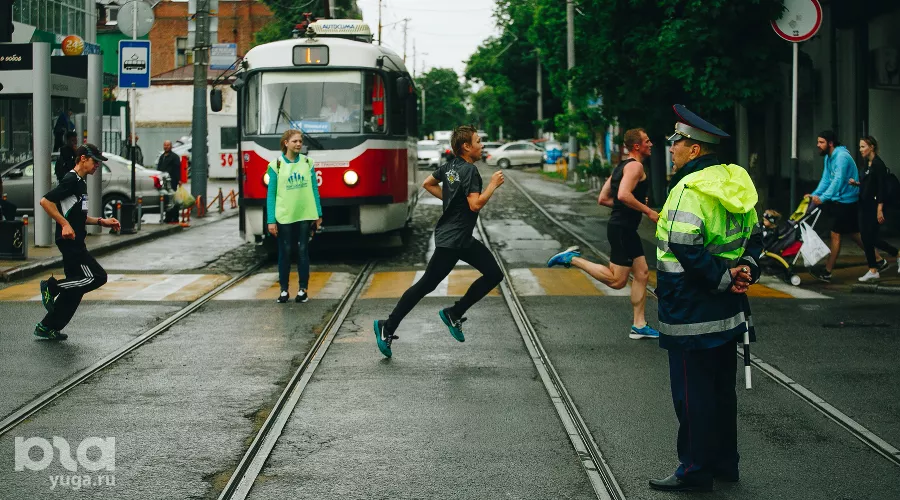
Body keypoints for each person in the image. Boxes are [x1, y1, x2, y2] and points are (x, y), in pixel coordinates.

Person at [649, 105, 763, 492]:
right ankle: (724, 464)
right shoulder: (736, 181)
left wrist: (720, 278)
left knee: (692, 394)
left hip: (690, 310)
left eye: (676, 142)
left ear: (694, 149)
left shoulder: (688, 188)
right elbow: (755, 234)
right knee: (719, 391)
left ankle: (694, 471)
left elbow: (682, 243)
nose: (672, 149)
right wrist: (744, 269)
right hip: (729, 312)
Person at [373, 125, 505, 358]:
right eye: (478, 141)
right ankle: (389, 325)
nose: (481, 145)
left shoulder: (450, 166)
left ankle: (454, 313)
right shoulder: (471, 171)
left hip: (457, 238)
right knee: (426, 285)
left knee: (493, 274)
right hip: (454, 240)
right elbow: (475, 205)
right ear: (466, 146)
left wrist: (452, 199)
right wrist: (493, 184)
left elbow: (427, 184)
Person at [547, 128, 660, 340]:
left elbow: (604, 198)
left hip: (624, 228)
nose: (651, 143)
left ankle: (639, 324)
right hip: (622, 229)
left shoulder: (620, 167)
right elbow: (624, 195)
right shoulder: (635, 167)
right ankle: (573, 259)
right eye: (647, 141)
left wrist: (632, 207)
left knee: (642, 273)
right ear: (637, 146)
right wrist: (648, 211)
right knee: (617, 281)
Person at [35, 144, 121, 341]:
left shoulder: (80, 183)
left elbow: (78, 216)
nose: (97, 165)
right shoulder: (71, 179)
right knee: (97, 277)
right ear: (83, 158)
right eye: (95, 161)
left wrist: (101, 221)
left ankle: (47, 327)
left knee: (76, 289)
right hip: (71, 242)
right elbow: (45, 202)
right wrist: (64, 224)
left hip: (75, 240)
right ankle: (52, 287)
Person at [806, 130, 876, 283]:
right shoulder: (829, 157)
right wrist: (814, 195)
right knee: (854, 234)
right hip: (840, 200)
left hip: (847, 200)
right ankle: (877, 260)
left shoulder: (842, 157)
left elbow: (838, 181)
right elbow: (826, 179)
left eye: (821, 142)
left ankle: (827, 271)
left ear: (830, 143)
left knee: (835, 234)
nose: (818, 145)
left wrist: (823, 198)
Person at [266, 129, 323, 304]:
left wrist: (318, 214)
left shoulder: (308, 163)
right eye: (295, 141)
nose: (299, 144)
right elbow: (271, 194)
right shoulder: (276, 165)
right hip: (284, 215)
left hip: (305, 213)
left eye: (300, 141)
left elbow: (314, 189)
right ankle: (284, 290)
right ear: (286, 143)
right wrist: (270, 220)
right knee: (285, 251)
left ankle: (302, 290)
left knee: (302, 251)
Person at [851, 136, 899, 281]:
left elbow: (881, 188)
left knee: (870, 238)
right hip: (863, 204)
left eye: (863, 147)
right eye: (860, 147)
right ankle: (873, 269)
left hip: (873, 206)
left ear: (871, 147)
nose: (860, 150)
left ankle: (895, 254)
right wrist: (857, 184)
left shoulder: (879, 164)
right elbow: (869, 185)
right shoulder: (868, 164)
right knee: (866, 239)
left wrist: (880, 209)